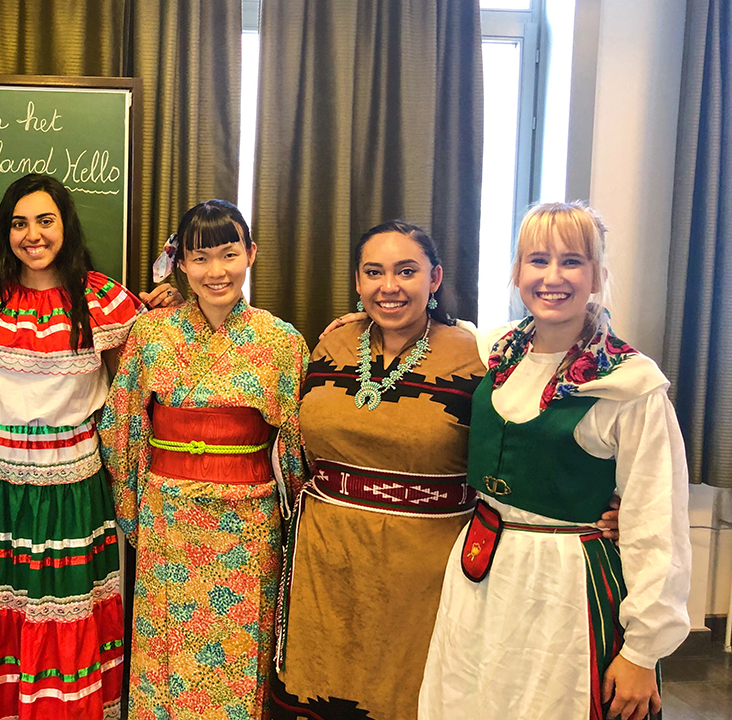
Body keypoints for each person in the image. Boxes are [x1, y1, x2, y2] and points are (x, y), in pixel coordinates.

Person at [418, 202, 690, 720]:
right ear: (517, 273)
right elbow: (426, 328)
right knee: (470, 698)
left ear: (597, 276)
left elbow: (658, 522)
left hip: (565, 586)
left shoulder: (629, 385)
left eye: (572, 261)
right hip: (482, 567)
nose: (553, 277)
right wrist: (359, 320)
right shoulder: (496, 348)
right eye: (538, 260)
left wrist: (642, 651)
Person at [0, 173, 143, 720]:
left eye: (45, 221)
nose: (33, 235)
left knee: (60, 603)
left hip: (69, 484)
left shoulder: (103, 300)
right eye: (19, 223)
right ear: (5, 232)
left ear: (65, 227)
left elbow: (130, 389)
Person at [269, 221, 485, 720]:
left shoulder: (477, 356)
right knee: (322, 690)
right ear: (358, 283)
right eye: (374, 273)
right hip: (325, 558)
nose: (389, 287)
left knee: (408, 695)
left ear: (435, 279)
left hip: (425, 566)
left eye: (406, 271)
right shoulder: (333, 345)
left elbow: (518, 452)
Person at [99, 199, 306, 720]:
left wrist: (297, 520)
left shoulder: (283, 342)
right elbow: (120, 427)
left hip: (250, 521)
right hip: (168, 516)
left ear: (251, 255)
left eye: (229, 254)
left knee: (241, 657)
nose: (216, 272)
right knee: (165, 657)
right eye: (200, 258)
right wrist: (134, 513)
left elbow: (299, 445)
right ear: (181, 264)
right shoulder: (150, 334)